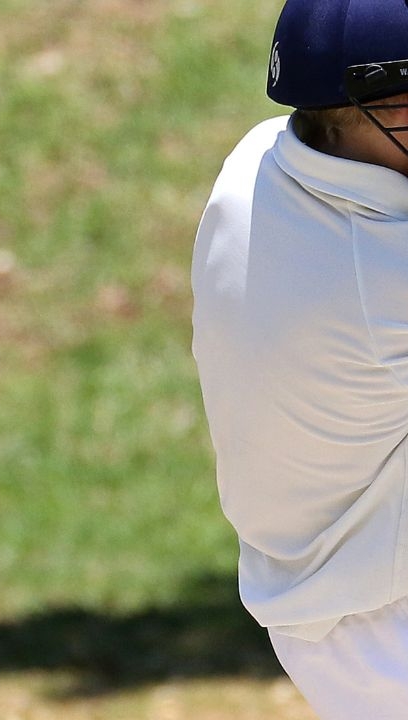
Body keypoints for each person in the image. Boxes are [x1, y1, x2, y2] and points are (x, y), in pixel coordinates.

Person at [193, 0, 408, 716]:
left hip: (324, 605)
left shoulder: (256, 162)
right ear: (344, 116)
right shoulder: (382, 274)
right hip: (388, 627)